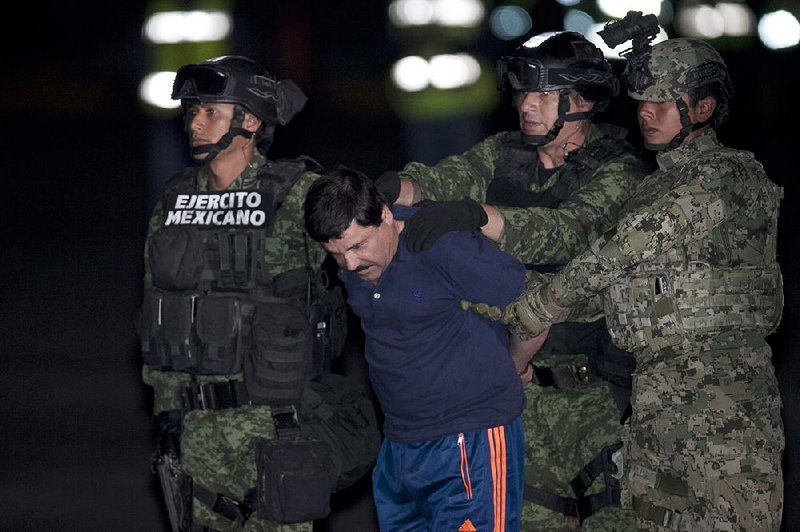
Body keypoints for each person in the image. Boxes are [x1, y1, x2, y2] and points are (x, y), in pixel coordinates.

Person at [472, 35, 786, 531]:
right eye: (642, 102)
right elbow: (605, 289)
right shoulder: (651, 184)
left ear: (702, 108)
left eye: (663, 103)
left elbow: (624, 249)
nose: (646, 114)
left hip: (722, 392)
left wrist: (539, 309)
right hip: (654, 390)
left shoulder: (727, 173)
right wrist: (499, 305)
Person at [378, 31, 651, 529]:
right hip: (505, 392)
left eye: (545, 94)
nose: (528, 105)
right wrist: (390, 188)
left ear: (583, 102)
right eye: (524, 91)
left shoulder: (621, 173)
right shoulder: (506, 154)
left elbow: (568, 233)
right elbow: (441, 180)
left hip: (588, 400)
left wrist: (476, 217)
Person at [136, 55, 380, 531]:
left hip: (276, 431)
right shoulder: (174, 201)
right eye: (191, 112)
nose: (195, 123)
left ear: (250, 120)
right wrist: (166, 413)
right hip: (196, 433)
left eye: (211, 111)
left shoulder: (297, 196)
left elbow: (376, 263)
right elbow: (157, 318)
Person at [303, 166, 548, 531]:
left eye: (357, 246)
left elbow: (538, 306)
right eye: (336, 253)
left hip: (469, 439)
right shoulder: (355, 265)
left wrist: (514, 365)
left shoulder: (443, 246)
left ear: (385, 214)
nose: (350, 264)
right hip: (400, 448)